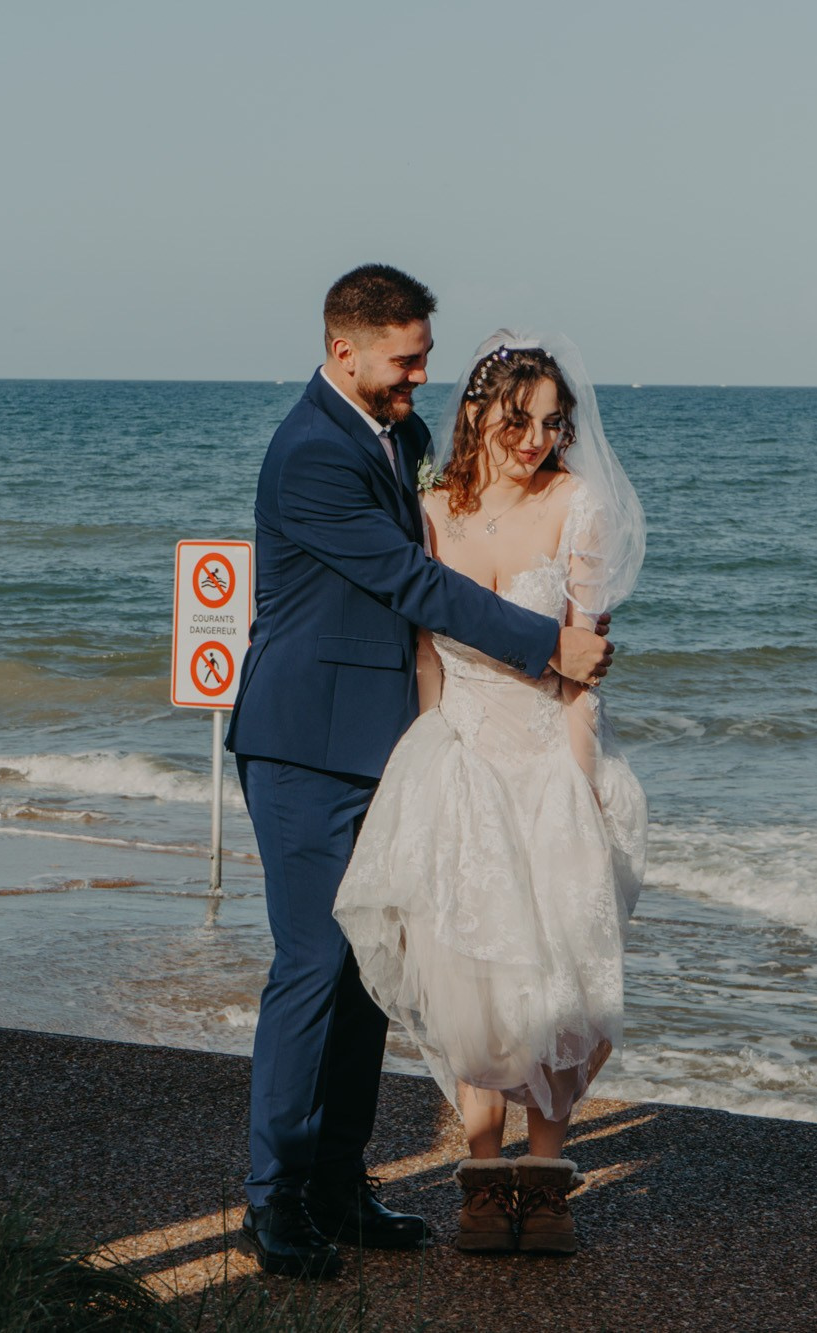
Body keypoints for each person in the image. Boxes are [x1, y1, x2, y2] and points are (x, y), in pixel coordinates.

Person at [226, 268, 615, 1278]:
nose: (419, 375)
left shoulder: (392, 437)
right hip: (304, 749)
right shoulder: (311, 451)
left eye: (424, 356)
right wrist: (548, 646)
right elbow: (408, 580)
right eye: (404, 358)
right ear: (344, 350)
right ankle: (271, 1203)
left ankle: (338, 1185)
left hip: (387, 747)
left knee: (364, 973)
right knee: (311, 968)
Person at [333, 330, 647, 1256]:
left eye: (553, 423)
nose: (536, 439)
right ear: (479, 414)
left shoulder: (577, 505)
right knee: (472, 971)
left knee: (559, 974)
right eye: (519, 420)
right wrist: (432, 754)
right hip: (462, 756)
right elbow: (429, 649)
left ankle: (546, 1181)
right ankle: (482, 1173)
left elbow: (584, 661)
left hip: (550, 757)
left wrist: (578, 784)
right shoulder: (432, 511)